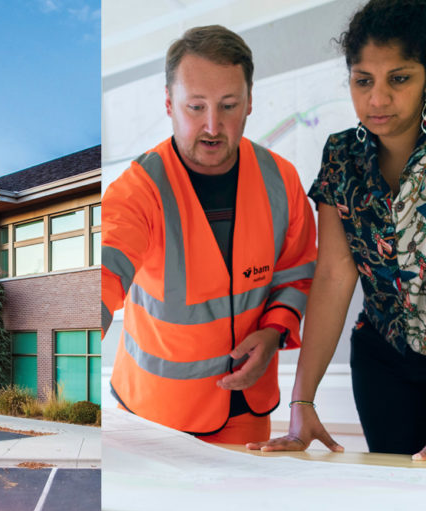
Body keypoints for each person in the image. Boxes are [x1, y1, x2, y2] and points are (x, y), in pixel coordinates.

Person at [101, 25, 318, 444]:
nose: (213, 126)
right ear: (169, 104)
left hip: (247, 409)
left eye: (229, 105)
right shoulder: (138, 190)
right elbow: (104, 272)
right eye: (195, 107)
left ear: (250, 102)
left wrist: (274, 331)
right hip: (155, 417)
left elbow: (296, 273)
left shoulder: (282, 180)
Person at [249, 0, 426, 459]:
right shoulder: (342, 156)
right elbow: (332, 275)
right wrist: (302, 401)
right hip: (382, 359)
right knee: (397, 505)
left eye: (400, 78)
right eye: (363, 80)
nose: (378, 98)